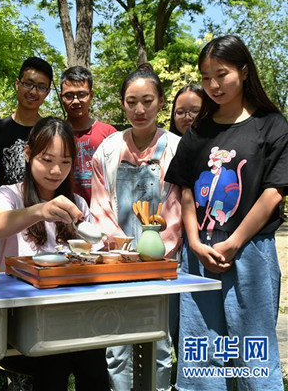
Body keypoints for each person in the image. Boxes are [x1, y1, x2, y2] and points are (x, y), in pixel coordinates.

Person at [165, 35, 287, 391]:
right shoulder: (199, 131)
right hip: (198, 254)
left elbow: (273, 192)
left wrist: (234, 241)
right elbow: (186, 189)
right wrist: (193, 242)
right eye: (206, 77)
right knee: (200, 346)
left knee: (253, 349)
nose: (213, 85)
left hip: (250, 252)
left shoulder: (272, 126)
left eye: (222, 74)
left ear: (244, 71)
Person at [0, 116, 109, 391]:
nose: (56, 171)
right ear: (28, 154)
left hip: (73, 310)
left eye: (65, 162)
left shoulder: (76, 203)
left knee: (94, 365)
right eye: (47, 160)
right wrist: (40, 210)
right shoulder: (10, 195)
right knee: (53, 365)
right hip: (28, 313)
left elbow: (93, 251)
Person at [90, 63, 182, 391]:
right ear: (122, 104)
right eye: (131, 102)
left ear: (160, 102)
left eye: (147, 100)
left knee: (159, 344)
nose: (139, 109)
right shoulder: (108, 150)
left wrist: (156, 252)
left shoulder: (175, 148)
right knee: (117, 347)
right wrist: (124, 253)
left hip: (162, 263)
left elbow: (176, 210)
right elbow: (99, 208)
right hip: (119, 263)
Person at [0, 57, 53, 194]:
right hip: (4, 212)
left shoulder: (50, 132)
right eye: (28, 83)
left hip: (41, 210)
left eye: (41, 87)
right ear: (17, 83)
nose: (33, 92)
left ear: (48, 92)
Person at [59, 66, 117, 204]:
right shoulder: (56, 133)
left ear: (91, 95)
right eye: (69, 95)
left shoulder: (109, 134)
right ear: (61, 97)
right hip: (63, 209)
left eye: (81, 94)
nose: (76, 101)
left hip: (103, 211)